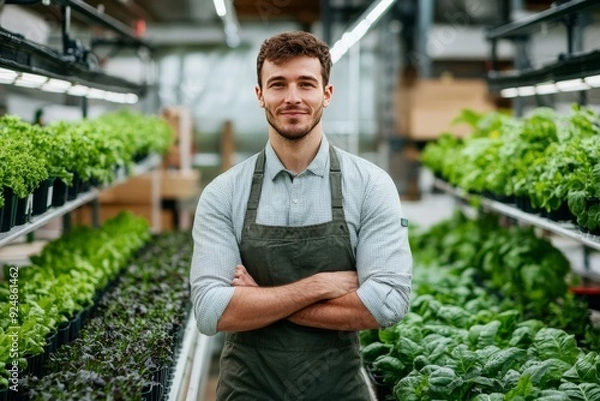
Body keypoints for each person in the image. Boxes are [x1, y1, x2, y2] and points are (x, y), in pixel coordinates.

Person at [190, 30, 412, 400]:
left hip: (338, 387)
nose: (292, 98)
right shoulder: (223, 193)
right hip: (249, 387)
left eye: (306, 84)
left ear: (326, 93)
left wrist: (260, 298)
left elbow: (386, 304)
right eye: (278, 84)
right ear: (260, 95)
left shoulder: (371, 185)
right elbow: (211, 311)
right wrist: (318, 286)